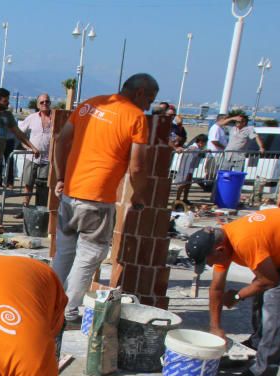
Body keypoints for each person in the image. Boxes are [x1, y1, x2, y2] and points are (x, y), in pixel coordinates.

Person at [51, 73, 156, 326]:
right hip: (97, 199)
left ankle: (49, 301)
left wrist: (60, 177)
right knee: (89, 256)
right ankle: (69, 310)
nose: (150, 105)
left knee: (64, 252)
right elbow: (138, 166)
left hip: (70, 194)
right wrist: (139, 194)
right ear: (139, 92)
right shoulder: (136, 117)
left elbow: (61, 140)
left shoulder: (90, 104)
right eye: (150, 98)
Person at [185, 208, 280, 376]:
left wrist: (238, 296)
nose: (211, 265)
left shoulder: (244, 242)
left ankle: (262, 374)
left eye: (209, 261)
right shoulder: (223, 242)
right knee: (259, 287)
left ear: (219, 250)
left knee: (277, 297)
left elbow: (270, 280)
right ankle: (255, 348)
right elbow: (217, 288)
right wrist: (215, 327)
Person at [0, 88, 38, 221]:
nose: (8, 103)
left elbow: (18, 132)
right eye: (5, 100)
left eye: (8, 100)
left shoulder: (7, 115)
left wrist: (32, 147)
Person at [16, 92, 53, 212]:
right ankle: (24, 209)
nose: (45, 104)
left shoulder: (55, 118)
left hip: (48, 159)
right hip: (31, 158)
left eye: (47, 101)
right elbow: (19, 133)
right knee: (28, 184)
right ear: (38, 105)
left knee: (43, 187)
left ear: (50, 103)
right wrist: (27, 147)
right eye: (42, 102)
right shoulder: (31, 118)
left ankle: (40, 210)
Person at [173, 134, 207, 202]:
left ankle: (185, 199)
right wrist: (204, 151)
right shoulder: (193, 147)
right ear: (200, 142)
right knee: (182, 184)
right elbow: (194, 152)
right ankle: (177, 199)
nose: (204, 145)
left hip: (190, 169)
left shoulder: (196, 148)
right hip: (186, 168)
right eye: (204, 143)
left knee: (187, 184)